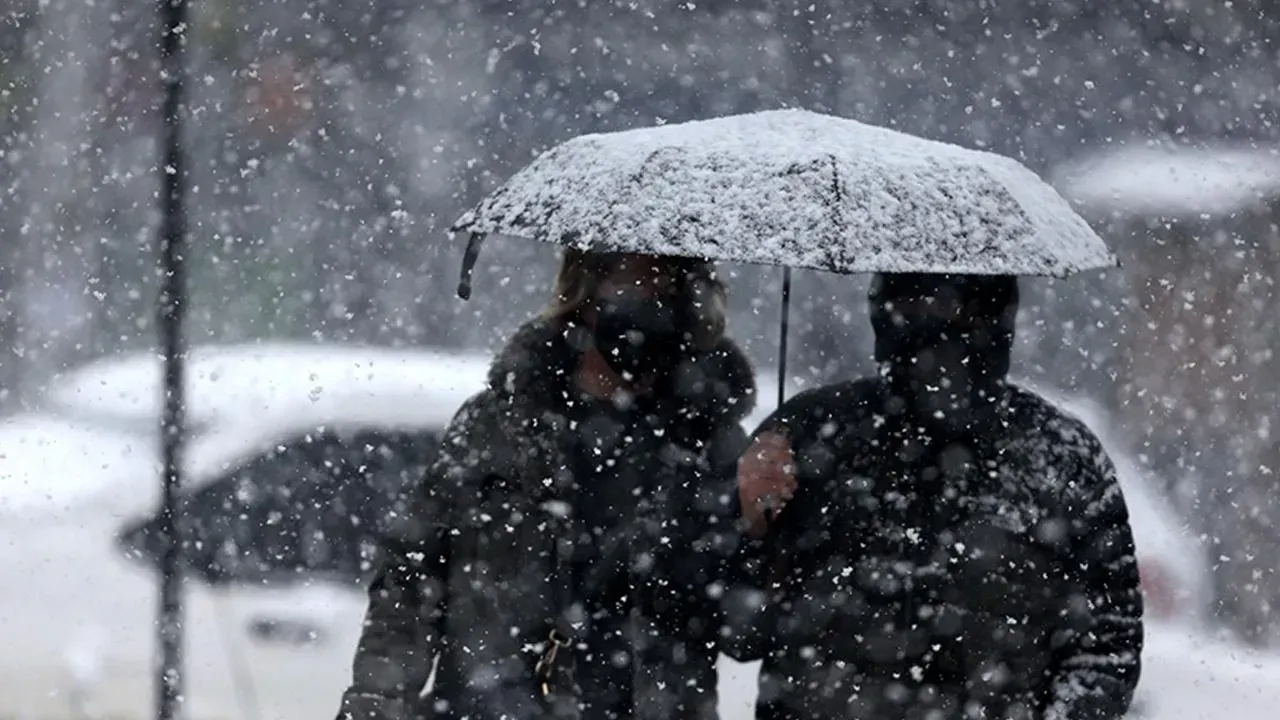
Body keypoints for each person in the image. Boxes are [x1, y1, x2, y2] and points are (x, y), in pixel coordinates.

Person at [336, 250, 757, 720]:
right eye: (640, 286)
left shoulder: (710, 448)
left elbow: (746, 631)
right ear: (585, 293)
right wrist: (375, 703)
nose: (655, 308)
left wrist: (761, 528)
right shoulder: (498, 427)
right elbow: (411, 581)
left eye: (671, 293)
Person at [724, 272, 1144, 720]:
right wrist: (748, 520)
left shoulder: (1061, 457)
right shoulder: (810, 435)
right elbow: (739, 633)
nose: (932, 324)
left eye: (955, 307)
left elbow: (1108, 643)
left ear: (996, 312)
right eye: (911, 303)